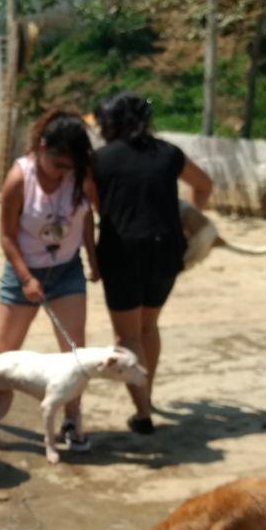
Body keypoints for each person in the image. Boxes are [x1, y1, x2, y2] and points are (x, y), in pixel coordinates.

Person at [0, 109, 97, 452]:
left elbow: (87, 219)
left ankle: (73, 421)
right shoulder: (19, 178)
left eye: (69, 167)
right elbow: (6, 236)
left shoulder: (81, 178)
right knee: (4, 350)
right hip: (23, 270)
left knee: (75, 354)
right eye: (57, 164)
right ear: (42, 148)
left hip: (67, 271)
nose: (62, 174)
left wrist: (93, 258)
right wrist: (26, 277)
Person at [92, 91, 213, 434]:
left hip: (121, 250)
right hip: (166, 250)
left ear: (111, 123)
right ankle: (148, 394)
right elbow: (203, 185)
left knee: (127, 335)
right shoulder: (169, 153)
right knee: (148, 327)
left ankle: (142, 413)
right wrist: (188, 215)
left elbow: (96, 206)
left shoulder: (100, 160)